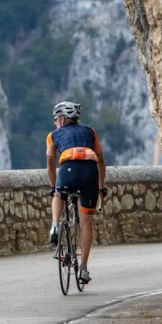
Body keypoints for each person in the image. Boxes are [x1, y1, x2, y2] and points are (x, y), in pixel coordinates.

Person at [46, 101, 107, 283]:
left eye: (56, 119)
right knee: (86, 223)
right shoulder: (91, 132)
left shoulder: (53, 135)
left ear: (63, 119)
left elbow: (50, 159)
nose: (56, 123)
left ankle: (55, 226)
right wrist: (101, 187)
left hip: (68, 171)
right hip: (90, 173)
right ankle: (83, 269)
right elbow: (101, 161)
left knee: (58, 194)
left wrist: (53, 185)